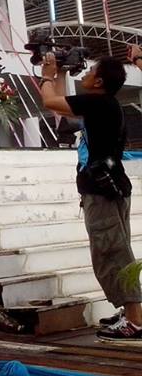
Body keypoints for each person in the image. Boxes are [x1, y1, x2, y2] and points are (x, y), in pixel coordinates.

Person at [39, 55, 141, 340]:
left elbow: (50, 101)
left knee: (112, 253)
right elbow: (61, 104)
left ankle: (135, 321)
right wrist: (59, 73)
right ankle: (130, 312)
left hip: (102, 191)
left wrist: (47, 75)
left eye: (91, 71)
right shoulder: (104, 105)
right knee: (115, 250)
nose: (85, 74)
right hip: (110, 187)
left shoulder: (98, 103)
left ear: (99, 81)